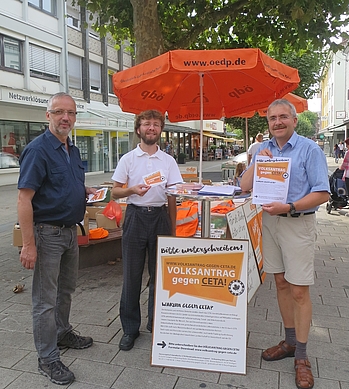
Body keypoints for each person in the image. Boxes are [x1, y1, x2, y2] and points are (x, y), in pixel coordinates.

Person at [240, 99, 329, 389]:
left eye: (282, 117)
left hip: (296, 222)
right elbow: (244, 186)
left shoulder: (309, 149)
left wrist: (289, 207)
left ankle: (302, 357)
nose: (277, 122)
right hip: (270, 223)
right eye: (271, 118)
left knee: (299, 289)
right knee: (279, 282)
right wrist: (259, 161)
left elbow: (322, 194)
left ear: (293, 119)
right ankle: (290, 342)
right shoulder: (265, 150)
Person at [17, 92, 96, 386]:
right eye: (59, 112)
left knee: (66, 290)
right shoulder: (38, 150)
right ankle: (47, 358)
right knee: (45, 300)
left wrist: (84, 191)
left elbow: (66, 183)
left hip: (69, 231)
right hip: (47, 233)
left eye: (71, 113)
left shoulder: (71, 149)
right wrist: (28, 244)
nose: (66, 117)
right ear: (47, 115)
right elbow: (24, 199)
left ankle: (62, 333)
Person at [111, 109, 182, 351]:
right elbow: (115, 191)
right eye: (146, 124)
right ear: (138, 129)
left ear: (160, 129)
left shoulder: (169, 161)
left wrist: (172, 228)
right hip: (135, 217)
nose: (151, 128)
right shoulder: (128, 159)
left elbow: (173, 195)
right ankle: (130, 329)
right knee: (131, 276)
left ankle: (156, 324)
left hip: (160, 217)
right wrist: (132, 190)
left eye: (155, 124)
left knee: (159, 277)